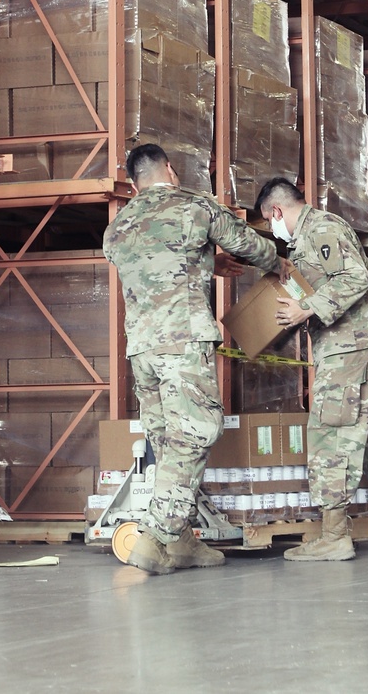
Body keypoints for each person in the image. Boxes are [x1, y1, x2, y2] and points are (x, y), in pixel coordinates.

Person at [104, 143, 282, 576]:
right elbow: (248, 244)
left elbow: (156, 264)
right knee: (197, 431)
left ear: (133, 183)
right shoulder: (193, 205)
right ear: (170, 169)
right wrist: (282, 264)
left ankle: (181, 541)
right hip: (182, 341)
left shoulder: (119, 226)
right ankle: (154, 536)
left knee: (166, 441)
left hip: (142, 348)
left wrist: (205, 263)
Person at [256, 176, 368, 562]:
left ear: (277, 211)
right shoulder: (306, 240)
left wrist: (309, 307)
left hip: (350, 343)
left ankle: (334, 534)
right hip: (351, 341)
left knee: (329, 432)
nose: (273, 230)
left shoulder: (322, 228)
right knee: (367, 430)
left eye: (270, 222)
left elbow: (356, 276)